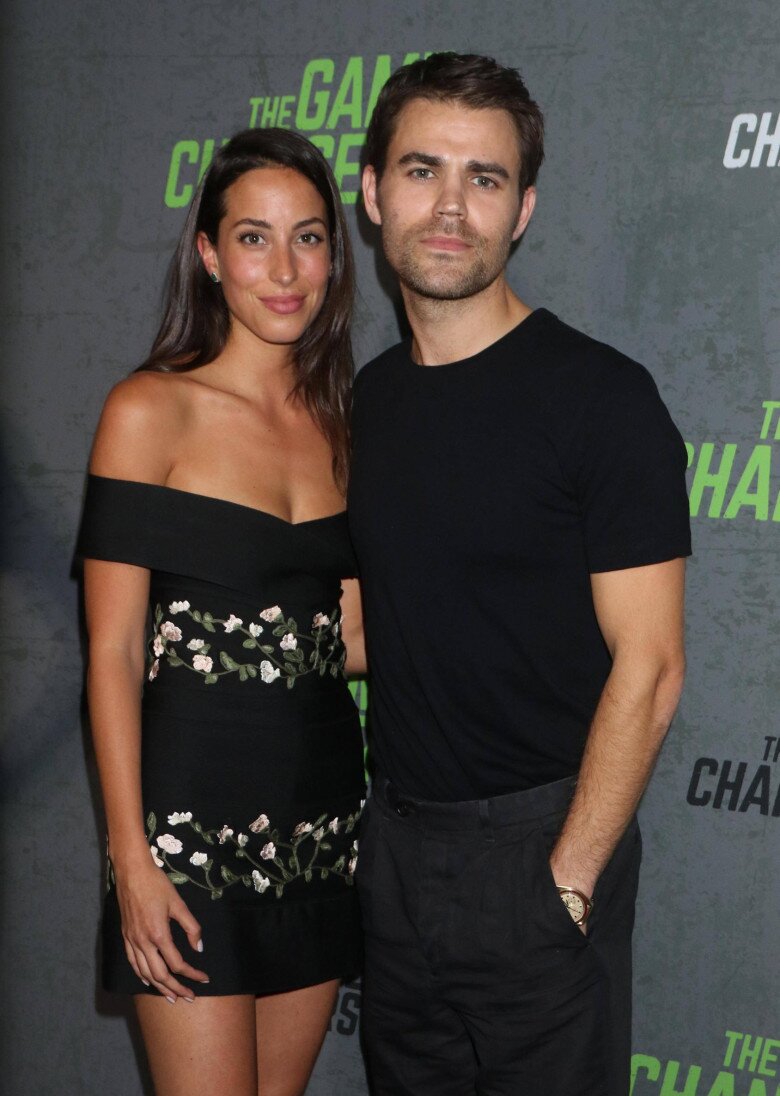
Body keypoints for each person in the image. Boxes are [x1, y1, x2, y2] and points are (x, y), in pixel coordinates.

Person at [348, 53, 691, 1096]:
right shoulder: (368, 402)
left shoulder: (601, 398)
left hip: (542, 848)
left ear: (524, 210)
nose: (451, 207)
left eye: (485, 178)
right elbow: (366, 626)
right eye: (423, 170)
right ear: (373, 193)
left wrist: (567, 883)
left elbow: (652, 666)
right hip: (395, 852)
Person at [77, 128, 366, 1096]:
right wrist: (132, 859)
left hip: (321, 823)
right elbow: (114, 651)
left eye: (308, 238)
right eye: (253, 238)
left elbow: (349, 637)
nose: (285, 270)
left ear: (334, 255)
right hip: (186, 833)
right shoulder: (148, 411)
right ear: (208, 253)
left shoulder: (344, 426)